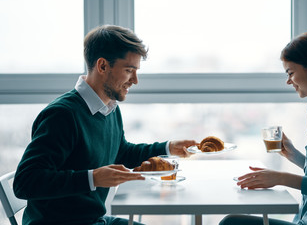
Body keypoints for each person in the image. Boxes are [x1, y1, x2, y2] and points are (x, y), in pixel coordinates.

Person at [13, 24, 197, 225]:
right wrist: (93, 178)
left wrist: (167, 148)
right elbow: (25, 182)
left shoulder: (109, 108)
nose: (135, 80)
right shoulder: (62, 115)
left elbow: (121, 153)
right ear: (102, 66)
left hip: (93, 220)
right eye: (129, 70)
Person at [219, 32, 307, 225]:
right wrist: (293, 155)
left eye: (290, 73)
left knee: (231, 223)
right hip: (305, 219)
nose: (288, 81)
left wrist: (280, 178)